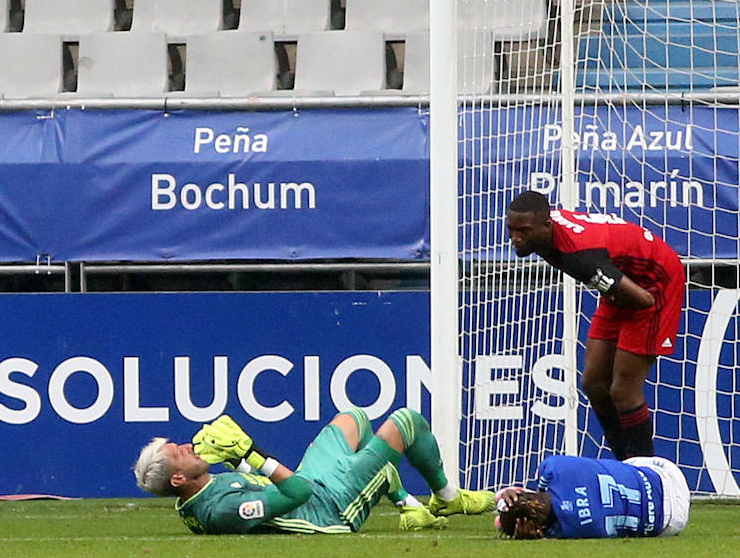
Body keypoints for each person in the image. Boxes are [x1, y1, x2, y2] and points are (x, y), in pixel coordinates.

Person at [504, 190, 685, 460]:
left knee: (623, 389)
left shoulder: (581, 256)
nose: (516, 238)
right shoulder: (548, 235)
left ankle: (647, 476)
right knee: (593, 383)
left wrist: (628, 322)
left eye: (524, 231)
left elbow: (643, 300)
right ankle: (625, 467)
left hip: (654, 283)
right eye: (511, 229)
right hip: (622, 280)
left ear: (546, 225)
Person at [133, 407, 495, 535]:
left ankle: (408, 507)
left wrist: (238, 459)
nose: (187, 446)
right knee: (406, 422)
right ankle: (447, 498)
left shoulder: (206, 488)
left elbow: (254, 482)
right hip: (328, 508)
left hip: (314, 481)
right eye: (178, 453)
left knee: (354, 418)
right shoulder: (220, 511)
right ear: (178, 479)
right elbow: (297, 494)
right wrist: (252, 453)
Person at [494, 454, 690, 540]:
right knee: (613, 469)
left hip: (669, 522)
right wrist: (507, 495)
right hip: (668, 477)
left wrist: (534, 533)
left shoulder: (568, 529)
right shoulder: (552, 467)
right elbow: (528, 496)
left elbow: (543, 521)